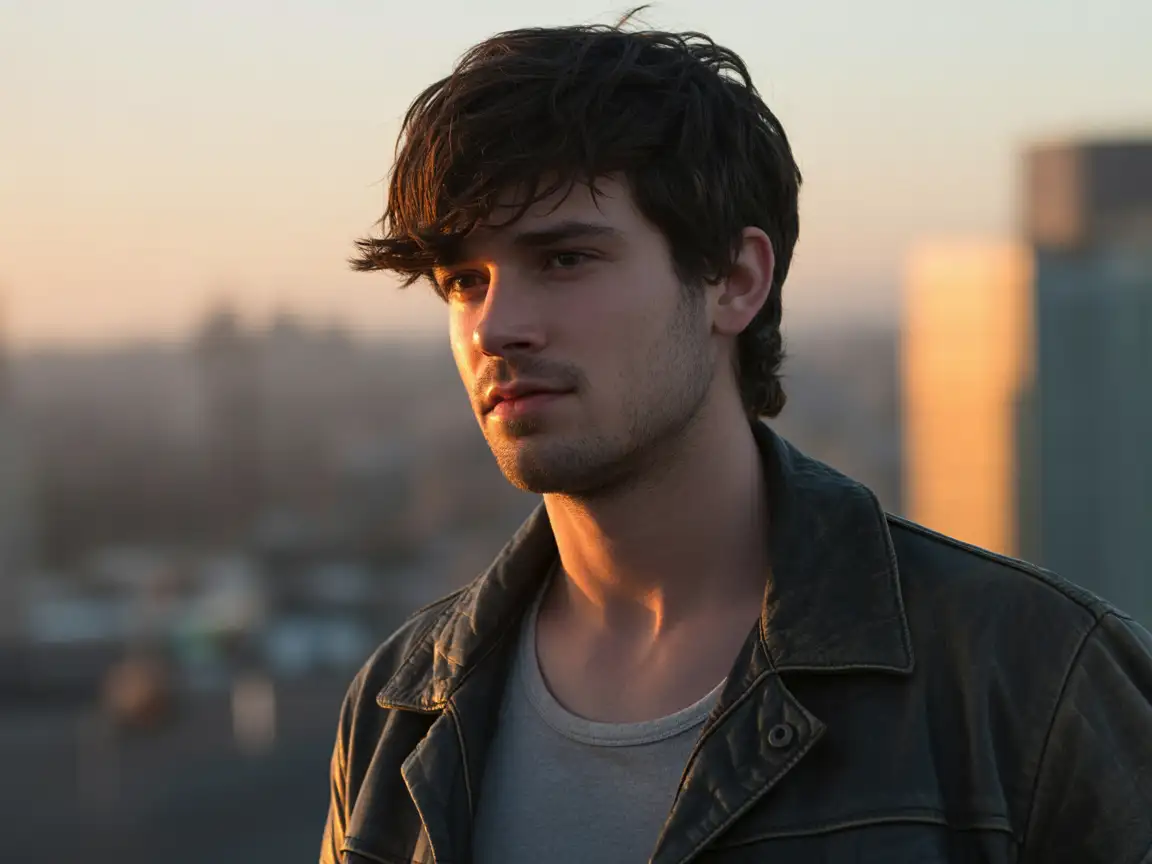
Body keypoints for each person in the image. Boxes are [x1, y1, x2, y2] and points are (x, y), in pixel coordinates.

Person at [320, 16, 1152, 864]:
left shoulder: (1030, 678)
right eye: (464, 280)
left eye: (564, 260)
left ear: (737, 280)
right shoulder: (399, 711)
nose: (495, 327)